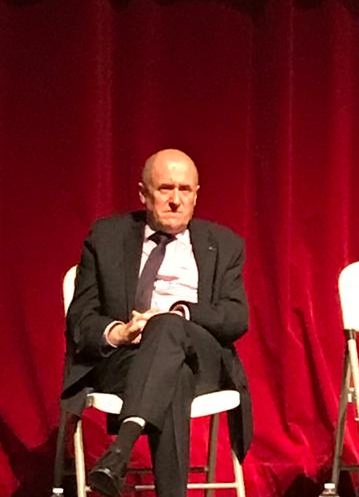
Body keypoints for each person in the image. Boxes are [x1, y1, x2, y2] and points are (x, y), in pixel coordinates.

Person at [62, 148, 252, 497]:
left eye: (185, 190)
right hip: (128, 360)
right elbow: (81, 320)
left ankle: (121, 450)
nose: (176, 200)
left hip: (201, 360)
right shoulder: (106, 238)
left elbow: (236, 316)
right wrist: (119, 332)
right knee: (171, 375)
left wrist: (179, 312)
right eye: (166, 189)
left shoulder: (223, 243)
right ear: (143, 194)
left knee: (167, 326)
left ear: (196, 195)